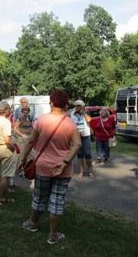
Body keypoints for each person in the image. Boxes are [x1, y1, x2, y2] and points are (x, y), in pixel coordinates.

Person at [19, 90, 81, 245]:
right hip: (62, 168)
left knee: (40, 196)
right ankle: (53, 235)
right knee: (57, 200)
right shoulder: (70, 123)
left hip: (43, 167)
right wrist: (65, 162)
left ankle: (32, 224)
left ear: (51, 103)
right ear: (66, 105)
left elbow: (31, 141)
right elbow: (77, 145)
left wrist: (23, 158)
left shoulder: (41, 120)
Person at [0, 100, 17, 205]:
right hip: (6, 148)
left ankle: (0, 194)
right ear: (5, 109)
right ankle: (2, 199)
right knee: (6, 175)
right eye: (9, 108)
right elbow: (7, 139)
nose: (10, 110)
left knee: (2, 174)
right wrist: (13, 148)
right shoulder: (5, 121)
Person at [70, 99, 95, 178]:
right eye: (75, 106)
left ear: (82, 106)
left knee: (87, 154)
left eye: (78, 106)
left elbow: (89, 120)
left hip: (85, 136)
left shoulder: (86, 112)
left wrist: (83, 113)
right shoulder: (72, 113)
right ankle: (81, 171)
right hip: (76, 136)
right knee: (79, 154)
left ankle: (90, 171)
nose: (76, 107)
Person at [14, 105, 36, 189]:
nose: (25, 112)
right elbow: (15, 128)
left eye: (27, 110)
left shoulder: (29, 117)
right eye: (24, 110)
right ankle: (22, 170)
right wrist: (22, 135)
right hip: (22, 138)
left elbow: (32, 126)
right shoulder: (20, 118)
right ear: (22, 111)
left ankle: (26, 169)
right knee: (23, 153)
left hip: (29, 137)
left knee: (31, 154)